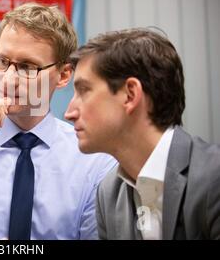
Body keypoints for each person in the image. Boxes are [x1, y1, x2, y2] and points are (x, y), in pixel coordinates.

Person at [0, 3, 117, 240]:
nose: (9, 78)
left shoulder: (95, 162)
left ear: (64, 75)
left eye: (27, 67)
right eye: (3, 62)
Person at [65, 28, 220, 240]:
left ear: (130, 94)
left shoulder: (214, 178)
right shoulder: (108, 194)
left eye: (84, 91)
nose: (69, 113)